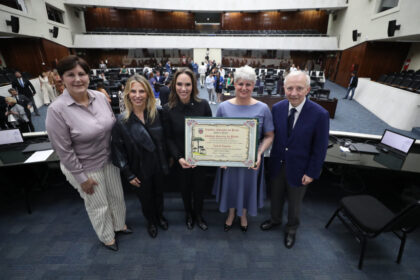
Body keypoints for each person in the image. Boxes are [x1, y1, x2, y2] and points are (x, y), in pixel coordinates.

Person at [46, 55, 130, 252]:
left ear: (88, 76)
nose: (77, 79)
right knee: (98, 204)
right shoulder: (56, 110)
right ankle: (107, 237)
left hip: (109, 159)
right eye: (70, 75)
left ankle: (119, 226)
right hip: (83, 166)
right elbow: (63, 150)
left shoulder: (100, 97)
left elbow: (112, 125)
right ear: (61, 78)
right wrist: (81, 177)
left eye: (81, 74)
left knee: (117, 197)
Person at [260, 71, 329, 249]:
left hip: (301, 169)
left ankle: (291, 228)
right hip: (277, 164)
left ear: (308, 89)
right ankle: (275, 220)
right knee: (275, 196)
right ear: (284, 89)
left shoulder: (320, 114)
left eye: (299, 88)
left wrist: (312, 172)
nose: (294, 93)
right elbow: (270, 135)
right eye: (290, 88)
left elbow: (320, 148)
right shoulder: (277, 108)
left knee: (295, 203)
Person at [212, 65, 274, 232]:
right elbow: (215, 134)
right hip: (229, 161)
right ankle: (231, 214)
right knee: (231, 188)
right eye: (240, 84)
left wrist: (259, 153)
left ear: (254, 85)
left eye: (248, 84)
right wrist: (218, 156)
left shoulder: (262, 108)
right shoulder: (223, 107)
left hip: (250, 161)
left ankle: (243, 215)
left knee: (246, 189)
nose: (244, 88)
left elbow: (269, 135)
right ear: (234, 84)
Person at [111, 75, 169, 238]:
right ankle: (151, 221)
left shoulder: (158, 113)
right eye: (133, 91)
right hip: (139, 167)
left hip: (158, 164)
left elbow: (165, 139)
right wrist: (128, 173)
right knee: (145, 198)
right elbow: (118, 150)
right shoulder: (121, 121)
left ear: (148, 93)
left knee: (159, 194)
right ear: (128, 94)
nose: (137, 95)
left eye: (142, 91)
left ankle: (160, 216)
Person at [162, 68, 212, 231]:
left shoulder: (203, 105)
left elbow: (211, 132)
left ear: (194, 86)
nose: (183, 88)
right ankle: (188, 215)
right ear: (174, 85)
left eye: (188, 84)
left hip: (201, 158)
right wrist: (178, 158)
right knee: (184, 190)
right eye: (180, 84)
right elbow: (168, 137)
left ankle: (198, 215)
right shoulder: (167, 109)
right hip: (181, 159)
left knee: (199, 189)